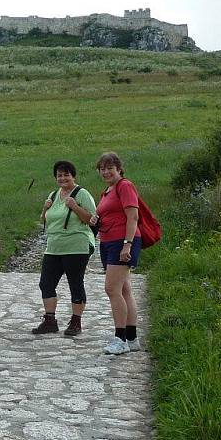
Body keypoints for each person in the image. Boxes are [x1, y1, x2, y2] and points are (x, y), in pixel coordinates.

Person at [33, 160, 96, 336]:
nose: (63, 178)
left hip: (76, 246)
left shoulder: (81, 194)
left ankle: (76, 322)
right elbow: (46, 220)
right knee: (46, 284)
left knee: (75, 284)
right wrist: (44, 209)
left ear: (73, 176)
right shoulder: (53, 195)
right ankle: (50, 321)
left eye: (66, 174)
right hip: (54, 247)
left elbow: (92, 219)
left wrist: (75, 207)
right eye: (59, 175)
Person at [90, 152, 143, 355]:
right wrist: (97, 219)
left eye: (109, 168)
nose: (105, 172)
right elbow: (112, 214)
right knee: (124, 290)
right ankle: (131, 338)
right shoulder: (108, 190)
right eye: (102, 168)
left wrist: (127, 245)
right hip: (109, 241)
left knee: (112, 289)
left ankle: (119, 339)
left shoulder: (124, 186)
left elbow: (133, 217)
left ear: (119, 169)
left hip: (122, 242)